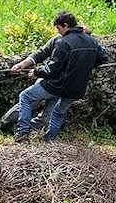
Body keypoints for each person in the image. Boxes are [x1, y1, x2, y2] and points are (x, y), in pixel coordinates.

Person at [14, 11, 107, 143]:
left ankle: (22, 133)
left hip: (57, 85)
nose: (58, 32)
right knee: (58, 113)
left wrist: (36, 72)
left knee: (26, 96)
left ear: (65, 25)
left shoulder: (63, 42)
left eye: (58, 28)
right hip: (77, 89)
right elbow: (102, 57)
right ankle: (49, 140)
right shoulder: (91, 41)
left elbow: (52, 69)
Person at [1, 25, 92, 132]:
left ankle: (23, 132)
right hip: (47, 81)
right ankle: (4, 126)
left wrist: (36, 72)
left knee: (47, 117)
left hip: (63, 87)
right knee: (30, 101)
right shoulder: (59, 40)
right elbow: (41, 53)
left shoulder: (89, 49)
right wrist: (23, 64)